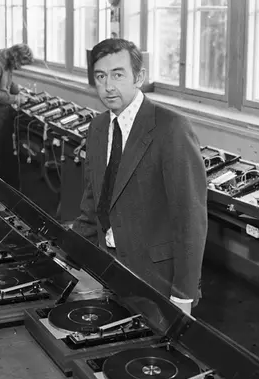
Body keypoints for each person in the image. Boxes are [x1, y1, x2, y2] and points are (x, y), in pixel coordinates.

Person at [72, 39, 207, 314]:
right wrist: (65, 255)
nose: (108, 86)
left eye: (118, 75)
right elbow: (92, 205)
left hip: (157, 280)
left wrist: (184, 295)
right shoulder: (97, 128)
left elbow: (190, 220)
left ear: (139, 77)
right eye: (101, 76)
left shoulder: (171, 128)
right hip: (108, 270)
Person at [0, 43, 34, 189]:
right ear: (15, 57)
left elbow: (8, 81)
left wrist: (20, 92)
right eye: (19, 63)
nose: (19, 67)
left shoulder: (6, 62)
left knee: (4, 153)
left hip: (2, 112)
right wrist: (15, 99)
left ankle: (2, 188)